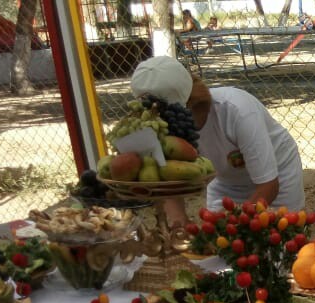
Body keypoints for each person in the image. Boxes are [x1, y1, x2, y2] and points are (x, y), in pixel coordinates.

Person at [130, 57, 305, 212]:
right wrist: (180, 226)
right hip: (226, 182)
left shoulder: (237, 111)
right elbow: (169, 182)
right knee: (219, 242)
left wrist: (235, 226)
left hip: (278, 176)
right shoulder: (158, 125)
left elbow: (268, 186)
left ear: (189, 101)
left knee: (279, 240)